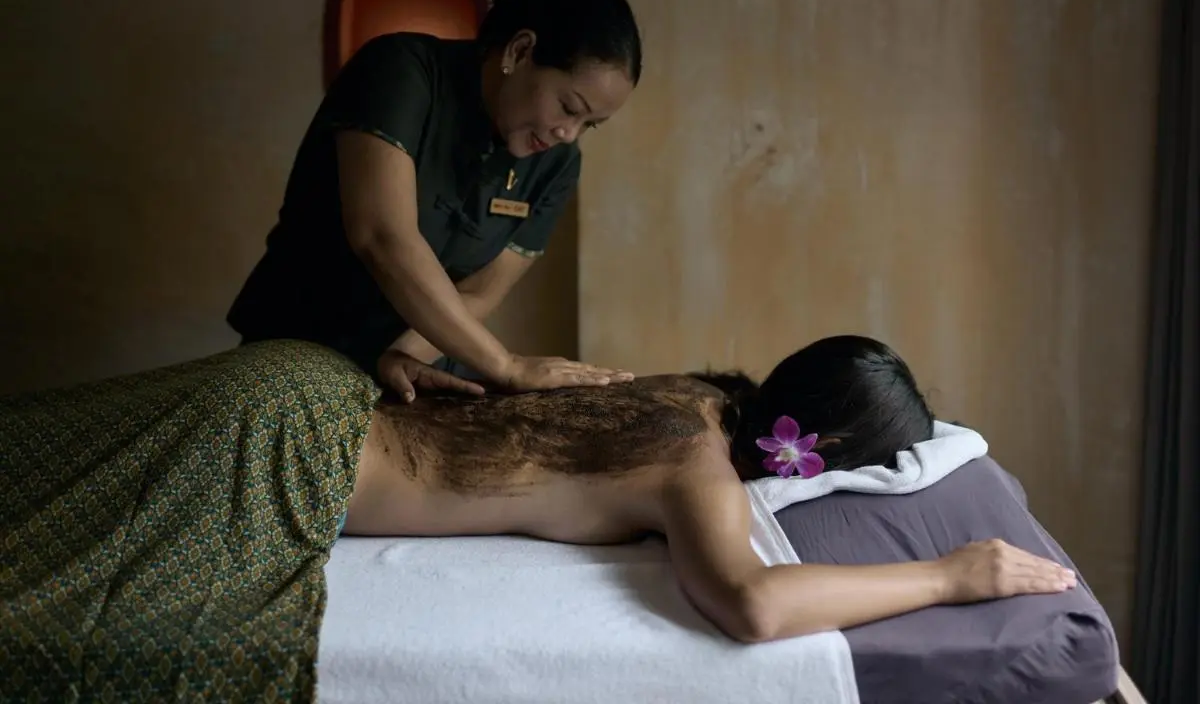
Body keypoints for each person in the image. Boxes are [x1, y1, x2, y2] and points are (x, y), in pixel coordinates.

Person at [1, 335, 1075, 701]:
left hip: (298, 392)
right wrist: (949, 574)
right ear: (822, 452)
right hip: (277, 456)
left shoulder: (685, 391)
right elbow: (749, 603)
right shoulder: (690, 454)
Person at [226, 0, 640, 401]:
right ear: (520, 51)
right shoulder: (401, 72)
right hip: (302, 352)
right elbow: (383, 237)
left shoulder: (557, 163)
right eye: (569, 108)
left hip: (415, 367)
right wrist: (506, 365)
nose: (568, 133)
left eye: (588, 125)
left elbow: (481, 291)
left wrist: (404, 354)